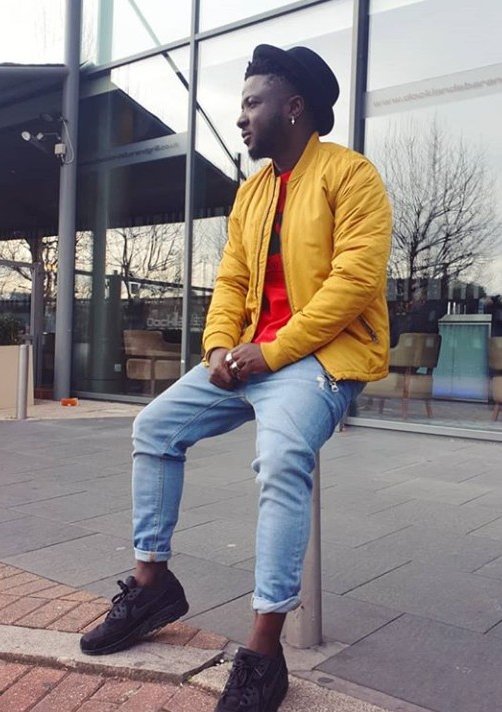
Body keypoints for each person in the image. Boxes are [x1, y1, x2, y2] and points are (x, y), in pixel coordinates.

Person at [80, 43, 392, 712]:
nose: (242, 117)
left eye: (253, 103)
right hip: (250, 355)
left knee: (279, 458)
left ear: (293, 107)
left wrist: (269, 353)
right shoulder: (252, 193)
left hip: (319, 360)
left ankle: (263, 650)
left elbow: (354, 283)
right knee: (154, 427)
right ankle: (151, 586)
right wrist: (220, 346)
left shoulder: (351, 176)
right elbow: (231, 281)